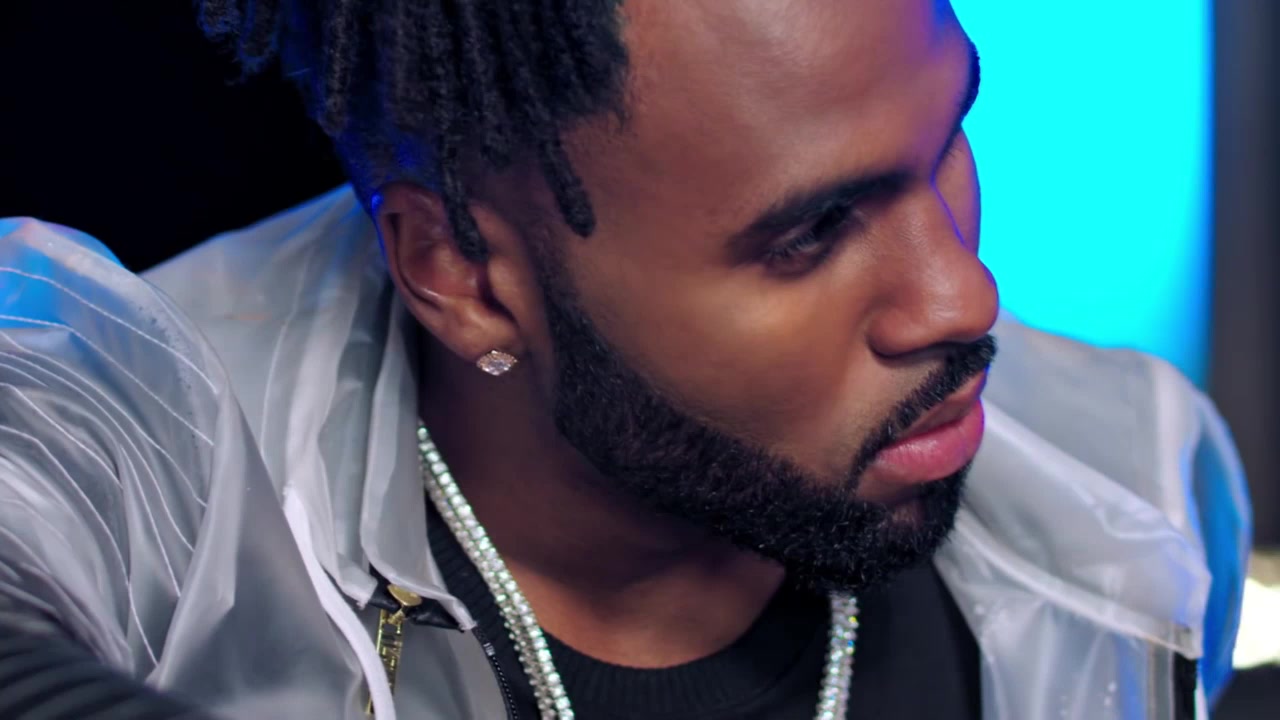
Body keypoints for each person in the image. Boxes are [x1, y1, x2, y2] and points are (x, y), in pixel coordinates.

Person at [0, 1, 1252, 719]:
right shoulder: (144, 435)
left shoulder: (1128, 476)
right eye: (813, 232)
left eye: (945, 146)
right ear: (464, 274)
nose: (961, 298)